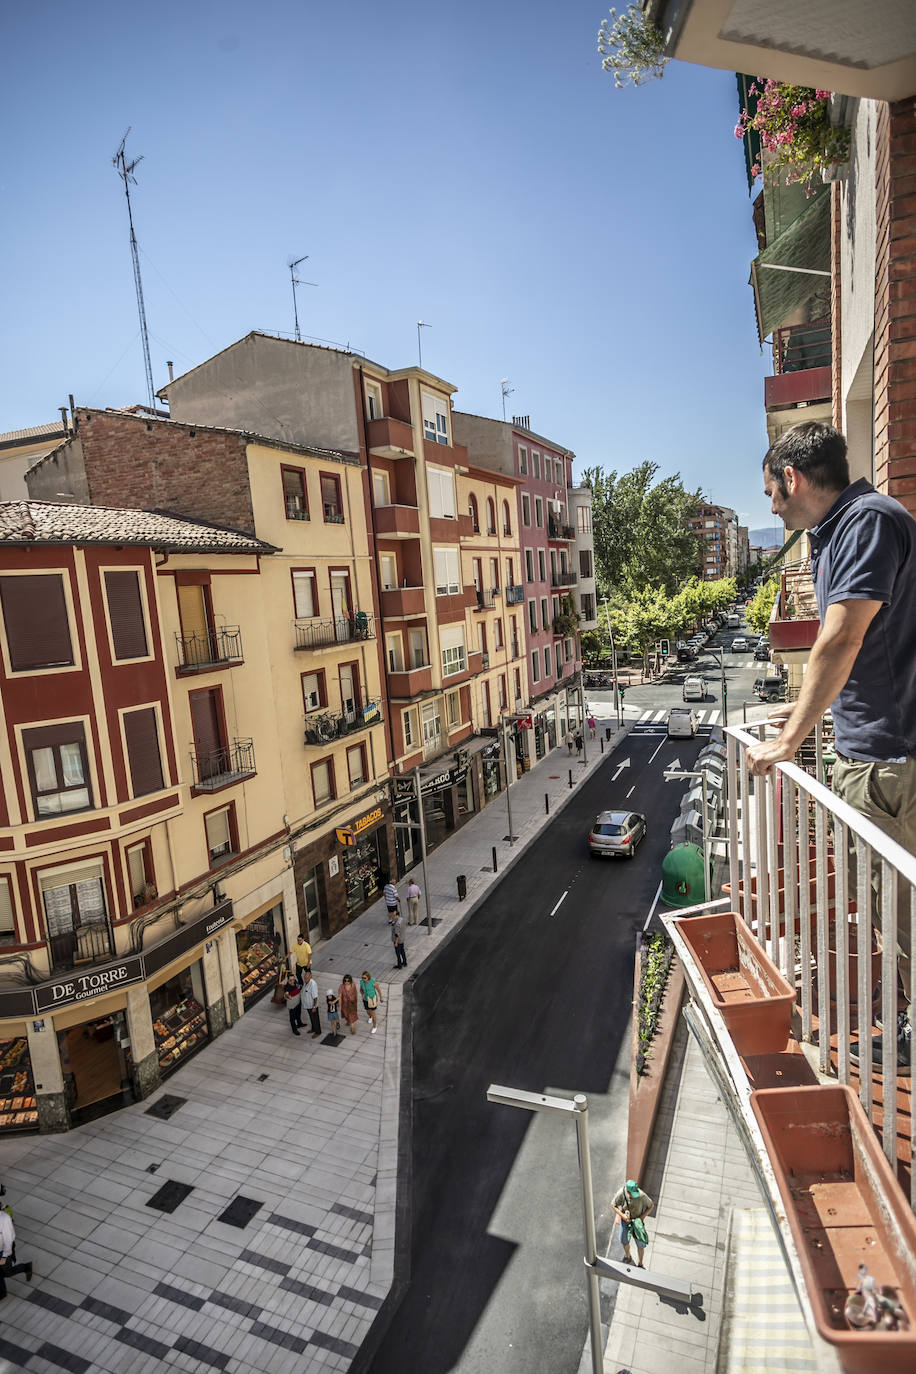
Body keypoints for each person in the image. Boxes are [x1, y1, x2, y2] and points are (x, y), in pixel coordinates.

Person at [746, 422, 916, 1066]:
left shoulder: (864, 523)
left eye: (770, 492)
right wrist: (812, 707)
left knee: (900, 911)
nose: (771, 508)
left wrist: (789, 740)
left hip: (886, 760)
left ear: (792, 479)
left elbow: (843, 639)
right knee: (888, 903)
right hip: (879, 749)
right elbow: (866, 652)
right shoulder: (848, 526)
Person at [612, 1178, 654, 1268]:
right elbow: (613, 1205)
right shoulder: (621, 1193)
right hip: (625, 1221)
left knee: (641, 1244)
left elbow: (651, 1206)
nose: (635, 1195)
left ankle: (640, 1263)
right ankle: (628, 1256)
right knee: (624, 1240)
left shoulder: (642, 1195)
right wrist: (622, 1216)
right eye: (632, 1194)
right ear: (627, 1191)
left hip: (637, 1222)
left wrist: (642, 1217)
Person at [0, 1205, 32, 1295]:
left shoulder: (4, 1219)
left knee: (7, 1272)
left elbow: (9, 1239)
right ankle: (1, 1293)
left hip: (3, 1252)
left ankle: (26, 1267)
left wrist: (4, 1257)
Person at [301, 971, 322, 1038]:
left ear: (310, 977)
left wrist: (314, 1007)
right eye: (305, 978)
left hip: (312, 1006)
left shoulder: (313, 985)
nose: (305, 979)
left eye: (307, 978)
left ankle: (318, 1032)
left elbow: (315, 997)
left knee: (315, 1019)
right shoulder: (306, 983)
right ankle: (313, 1029)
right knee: (311, 1018)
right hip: (307, 1005)